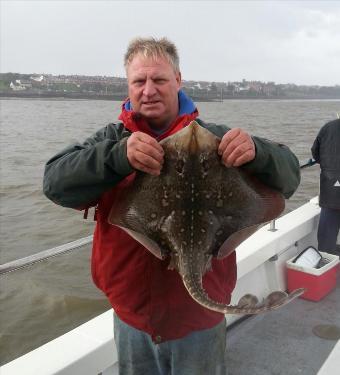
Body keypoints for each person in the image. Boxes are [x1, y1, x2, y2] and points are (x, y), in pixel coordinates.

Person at [43, 37, 300, 375]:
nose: (148, 90)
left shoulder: (219, 138)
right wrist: (118, 157)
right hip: (132, 318)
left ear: (178, 80)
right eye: (139, 81)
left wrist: (259, 152)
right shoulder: (111, 141)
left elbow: (290, 177)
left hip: (198, 322)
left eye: (159, 80)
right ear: (129, 85)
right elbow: (55, 183)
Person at [311, 118, 340, 257]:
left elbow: (315, 152)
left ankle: (326, 264)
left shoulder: (327, 127)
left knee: (326, 242)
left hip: (330, 190)